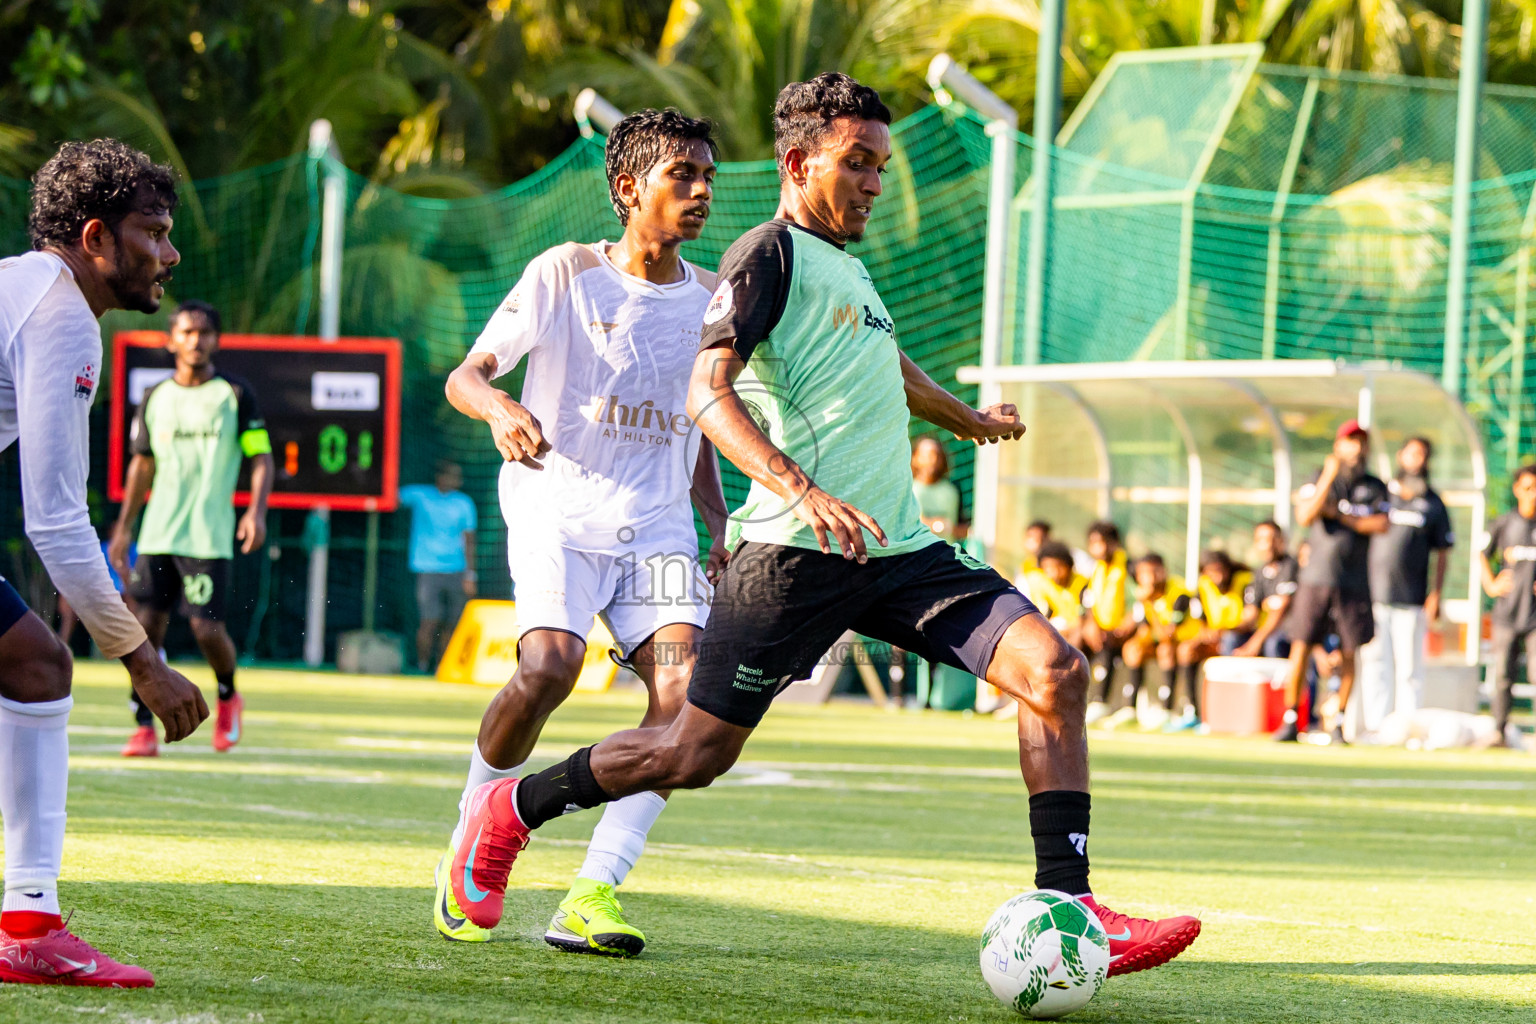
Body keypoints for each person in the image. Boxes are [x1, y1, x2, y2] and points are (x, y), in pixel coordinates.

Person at [449, 73, 1200, 974]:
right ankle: (513, 810)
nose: (877, 183)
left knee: (1055, 670)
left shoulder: (849, 264)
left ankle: (1073, 907)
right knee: (691, 751)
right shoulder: (765, 255)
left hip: (897, 550)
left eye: (881, 166)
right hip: (795, 554)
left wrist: (967, 419)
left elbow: (888, 365)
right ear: (801, 163)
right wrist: (797, 489)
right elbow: (707, 392)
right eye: (859, 164)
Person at [435, 109, 729, 955]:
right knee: (549, 669)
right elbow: (468, 373)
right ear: (628, 187)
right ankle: (473, 838)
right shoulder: (565, 272)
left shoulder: (714, 299)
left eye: (708, 175)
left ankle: (592, 893)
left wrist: (717, 521)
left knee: (687, 706)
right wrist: (496, 406)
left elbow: (700, 421)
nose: (702, 191)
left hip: (660, 529)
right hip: (555, 509)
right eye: (683, 175)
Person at [0, 139, 207, 986]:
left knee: (35, 662)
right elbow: (55, 521)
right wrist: (145, 662)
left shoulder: (23, 283)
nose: (170, 253)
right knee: (39, 663)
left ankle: (29, 922)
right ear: (95, 238)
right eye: (154, 233)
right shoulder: (60, 314)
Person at [109, 300, 273, 757]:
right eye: (187, 332)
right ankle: (143, 725)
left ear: (216, 340)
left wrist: (254, 512)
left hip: (207, 534)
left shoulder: (235, 395)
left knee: (205, 629)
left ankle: (227, 694)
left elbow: (261, 458)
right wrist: (124, 530)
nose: (195, 340)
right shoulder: (155, 397)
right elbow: (141, 467)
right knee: (144, 630)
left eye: (204, 332)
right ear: (171, 339)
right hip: (158, 532)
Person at [1275, 421, 1389, 743]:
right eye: (1351, 441)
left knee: (1351, 651)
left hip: (1354, 582)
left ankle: (1337, 720)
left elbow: (1380, 524)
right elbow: (1306, 515)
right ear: (1338, 445)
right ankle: (1291, 718)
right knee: (1300, 646)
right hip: (1315, 580)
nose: (1357, 447)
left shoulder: (1374, 486)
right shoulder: (1319, 477)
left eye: (1362, 441)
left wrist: (1338, 516)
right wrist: (1328, 475)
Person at [1359, 437, 1453, 733]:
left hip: (1412, 598)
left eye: (1422, 454)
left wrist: (1436, 594)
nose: (1416, 459)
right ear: (1400, 456)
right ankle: (1377, 728)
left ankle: (1407, 730)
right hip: (1374, 594)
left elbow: (1443, 552)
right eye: (1412, 453)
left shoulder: (1433, 503)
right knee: (1376, 663)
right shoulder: (1381, 494)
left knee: (1410, 668)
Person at [398, 461, 478, 673]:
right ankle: (423, 667)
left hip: (457, 571)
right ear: (440, 477)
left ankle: (444, 668)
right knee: (429, 621)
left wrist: (470, 575)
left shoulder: (464, 503)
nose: (457, 481)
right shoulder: (419, 495)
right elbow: (388, 495)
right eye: (453, 475)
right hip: (428, 571)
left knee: (451, 624)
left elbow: (469, 540)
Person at [1107, 554, 1199, 730]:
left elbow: (1167, 636)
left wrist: (1147, 603)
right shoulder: (1144, 596)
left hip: (1183, 641)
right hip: (1161, 640)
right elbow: (1143, 629)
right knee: (1132, 648)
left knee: (1166, 650)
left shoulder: (1179, 592)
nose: (1150, 577)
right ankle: (1129, 708)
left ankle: (1166, 709)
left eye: (1155, 571)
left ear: (1164, 571)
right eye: (1145, 573)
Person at [1480, 464, 1536, 745]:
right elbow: (1481, 553)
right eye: (1527, 488)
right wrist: (1490, 584)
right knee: (1502, 675)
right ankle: (1498, 732)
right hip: (1506, 614)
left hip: (1535, 616)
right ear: (1517, 490)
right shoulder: (1504, 524)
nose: (1532, 495)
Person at [1169, 550, 1252, 731]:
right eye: (1212, 572)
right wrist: (1207, 633)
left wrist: (1226, 630)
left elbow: (1250, 620)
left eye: (1221, 570)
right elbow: (1203, 622)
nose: (1218, 576)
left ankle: (1226, 713)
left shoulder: (1245, 582)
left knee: (1229, 641)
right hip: (1216, 641)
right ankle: (1192, 711)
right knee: (1186, 650)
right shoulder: (1203, 586)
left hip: (1242, 640)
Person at [1079, 521, 1135, 722]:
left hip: (1124, 629)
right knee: (1076, 642)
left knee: (1112, 645)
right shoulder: (1096, 569)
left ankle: (1102, 701)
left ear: (1114, 543)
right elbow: (1089, 599)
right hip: (1102, 627)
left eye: (1102, 543)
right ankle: (1078, 699)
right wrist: (1091, 623)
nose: (1097, 549)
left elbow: (1140, 600)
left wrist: (1128, 624)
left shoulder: (1129, 566)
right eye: (1092, 543)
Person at [1234, 521, 1297, 660]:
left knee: (1272, 643)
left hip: (1289, 633)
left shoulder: (1291, 567)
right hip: (1264, 632)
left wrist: (1256, 641)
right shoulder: (1259, 573)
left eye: (1271, 539)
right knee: (1231, 639)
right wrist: (1227, 629)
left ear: (1282, 541)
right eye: (1260, 540)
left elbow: (1279, 611)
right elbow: (1251, 612)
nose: (1266, 545)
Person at [1021, 541, 1089, 649]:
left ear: (1068, 565)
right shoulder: (1045, 585)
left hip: (1080, 628)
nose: (1054, 573)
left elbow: (1083, 612)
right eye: (1048, 568)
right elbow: (1046, 613)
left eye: (1059, 567)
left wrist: (1075, 632)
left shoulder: (1082, 584)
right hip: (1061, 629)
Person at [910, 436, 960, 541]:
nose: (933, 460)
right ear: (915, 458)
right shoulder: (908, 490)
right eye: (927, 455)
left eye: (937, 455)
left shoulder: (952, 490)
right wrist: (935, 525)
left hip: (946, 553)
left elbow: (961, 527)